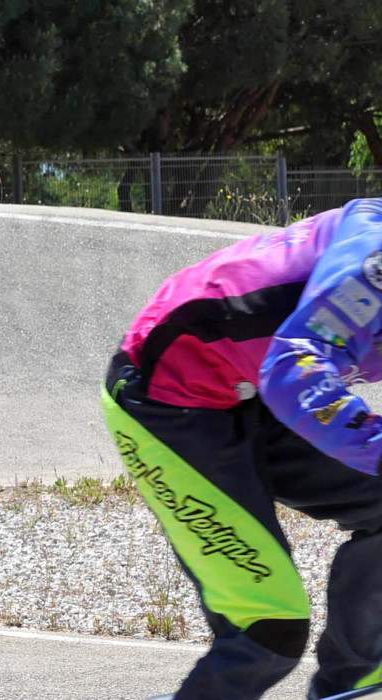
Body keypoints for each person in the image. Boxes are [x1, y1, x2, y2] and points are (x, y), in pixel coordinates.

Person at [105, 198, 382, 700]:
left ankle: (349, 685)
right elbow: (293, 371)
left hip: (250, 388)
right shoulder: (376, 260)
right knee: (267, 629)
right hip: (168, 393)